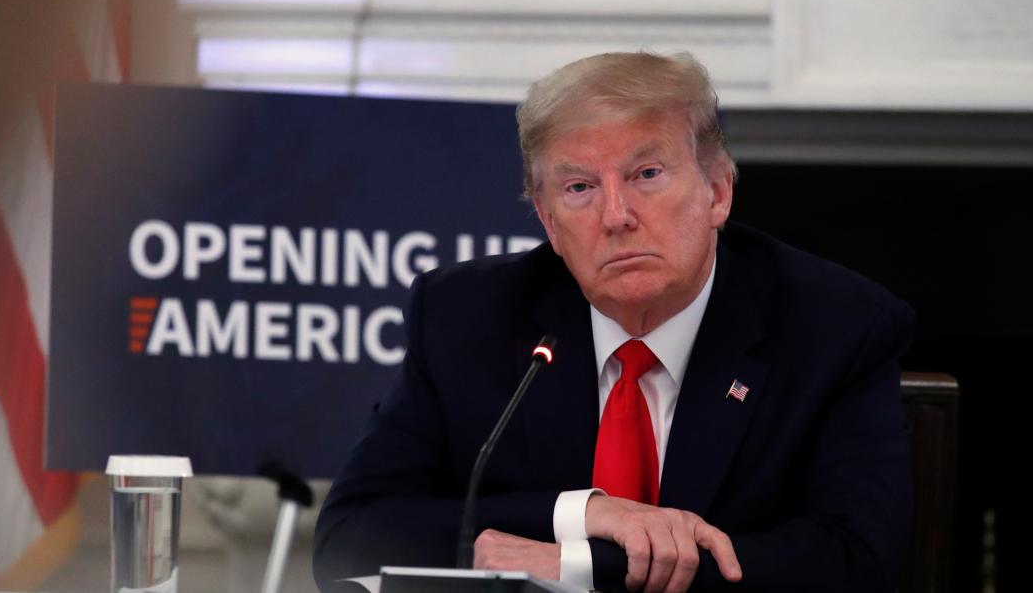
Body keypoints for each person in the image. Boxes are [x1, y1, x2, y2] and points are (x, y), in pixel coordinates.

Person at [313, 51, 914, 593]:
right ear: (550, 224)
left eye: (646, 175)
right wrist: (584, 515)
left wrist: (579, 565)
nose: (616, 215)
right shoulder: (466, 318)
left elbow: (856, 561)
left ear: (718, 193)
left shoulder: (835, 325)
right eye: (579, 187)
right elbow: (350, 535)